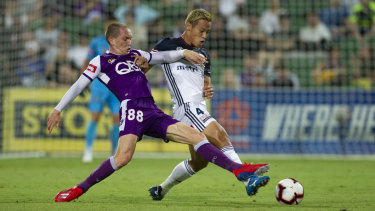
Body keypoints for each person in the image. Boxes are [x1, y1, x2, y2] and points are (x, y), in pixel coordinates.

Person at [48, 23, 270, 202]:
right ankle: (79, 189)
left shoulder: (136, 54)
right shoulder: (101, 61)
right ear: (112, 40)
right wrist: (58, 109)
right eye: (125, 38)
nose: (130, 42)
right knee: (123, 158)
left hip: (152, 110)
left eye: (131, 38)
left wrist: (184, 52)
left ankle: (239, 171)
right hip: (132, 109)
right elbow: (78, 84)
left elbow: (165, 57)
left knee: (198, 136)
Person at [147, 9, 270, 201]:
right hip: (185, 108)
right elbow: (145, 64)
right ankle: (248, 179)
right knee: (221, 135)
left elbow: (206, 84)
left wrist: (208, 89)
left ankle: (160, 189)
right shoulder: (166, 45)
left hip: (199, 107)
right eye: (201, 31)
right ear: (188, 26)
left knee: (199, 163)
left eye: (207, 33)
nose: (204, 36)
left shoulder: (204, 53)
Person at [80, 15, 120, 163]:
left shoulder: (124, 43)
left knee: (117, 119)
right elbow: (86, 62)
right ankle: (88, 150)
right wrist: (83, 82)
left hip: (116, 86)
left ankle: (115, 151)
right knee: (94, 116)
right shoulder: (96, 42)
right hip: (98, 86)